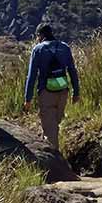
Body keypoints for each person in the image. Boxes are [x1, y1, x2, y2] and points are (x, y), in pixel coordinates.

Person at [23, 23, 80, 152]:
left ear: (40, 35)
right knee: (54, 125)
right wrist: (76, 92)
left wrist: (28, 99)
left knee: (50, 131)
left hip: (46, 92)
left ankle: (54, 165)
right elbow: (72, 71)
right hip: (63, 91)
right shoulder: (65, 47)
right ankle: (50, 152)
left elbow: (31, 76)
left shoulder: (38, 50)